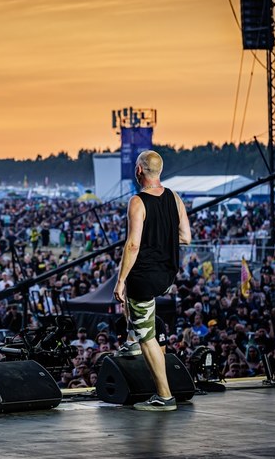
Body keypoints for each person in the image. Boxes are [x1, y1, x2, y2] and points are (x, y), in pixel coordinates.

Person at [114, 150, 191, 412]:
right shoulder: (175, 197)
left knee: (149, 336)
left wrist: (120, 280)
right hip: (166, 275)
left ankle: (164, 396)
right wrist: (161, 241)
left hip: (144, 277)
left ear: (139, 171)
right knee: (137, 311)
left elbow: (133, 245)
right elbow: (186, 237)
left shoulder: (137, 202)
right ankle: (131, 340)